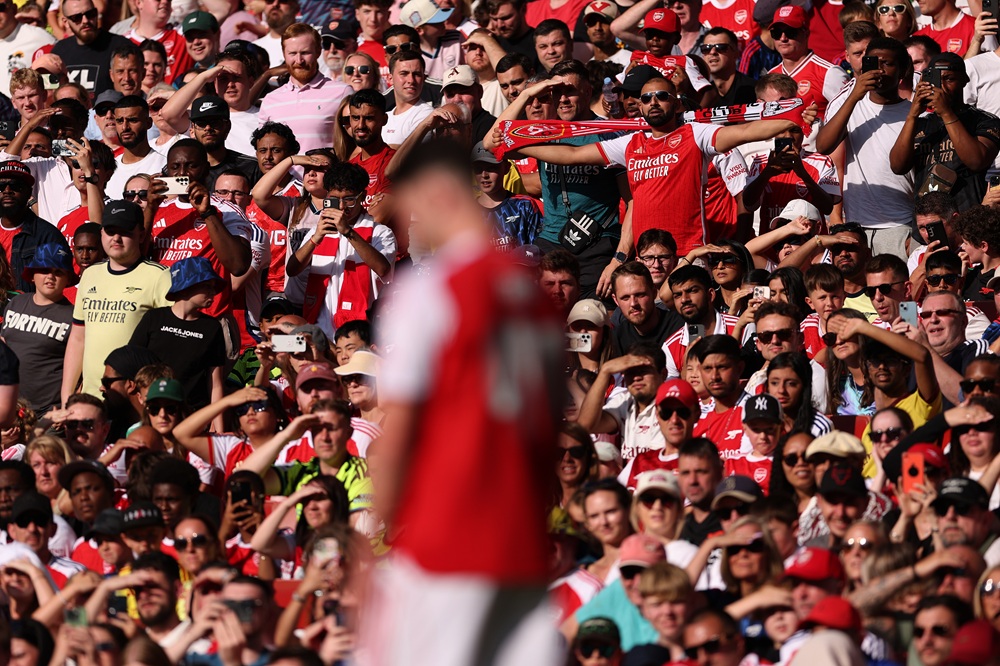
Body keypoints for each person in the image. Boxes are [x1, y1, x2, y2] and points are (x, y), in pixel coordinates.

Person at [507, 75, 815, 261]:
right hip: (645, 259)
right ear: (639, 107)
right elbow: (570, 156)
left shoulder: (696, 133)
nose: (654, 102)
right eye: (647, 98)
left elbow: (746, 132)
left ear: (678, 105)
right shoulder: (630, 143)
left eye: (662, 96)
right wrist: (514, 145)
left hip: (687, 256)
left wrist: (793, 117)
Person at [61, 201, 171, 400]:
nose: (117, 239)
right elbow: (78, 339)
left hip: (134, 401)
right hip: (91, 398)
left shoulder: (159, 276)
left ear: (142, 234)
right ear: (102, 233)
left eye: (125, 232)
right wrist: (67, 396)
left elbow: (168, 345)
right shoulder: (90, 275)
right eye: (111, 231)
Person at [285, 162, 395, 339]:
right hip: (319, 331)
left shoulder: (380, 232)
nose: (342, 207)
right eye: (336, 199)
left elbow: (383, 269)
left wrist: (348, 232)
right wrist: (316, 237)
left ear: (363, 197)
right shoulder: (319, 230)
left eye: (349, 199)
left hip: (360, 334)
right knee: (280, 343)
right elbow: (292, 270)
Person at [890, 52, 1000, 213]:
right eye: (936, 80)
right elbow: (898, 166)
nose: (941, 87)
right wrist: (913, 114)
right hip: (925, 224)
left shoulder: (984, 120)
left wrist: (946, 112)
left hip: (967, 219)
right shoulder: (921, 123)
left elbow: (977, 161)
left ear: (965, 80)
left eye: (949, 79)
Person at [258, 24, 353, 155]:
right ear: (284, 54)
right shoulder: (270, 100)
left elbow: (354, 144)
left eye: (305, 53)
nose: (299, 60)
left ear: (318, 52)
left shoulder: (342, 92)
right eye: (292, 53)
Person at [1, 244, 74, 413]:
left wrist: (66, 407)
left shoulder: (73, 316)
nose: (51, 276)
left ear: (68, 279)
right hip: (8, 404)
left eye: (58, 272)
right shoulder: (17, 303)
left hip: (47, 411)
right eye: (44, 270)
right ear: (32, 275)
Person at [104, 96, 167, 200]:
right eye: (119, 121)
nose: (125, 127)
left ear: (148, 123)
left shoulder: (165, 166)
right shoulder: (108, 170)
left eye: (132, 120)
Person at [123, 0, 193, 84]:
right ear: (139, 3)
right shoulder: (123, 42)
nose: (165, 1)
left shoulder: (186, 34)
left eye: (169, 0)